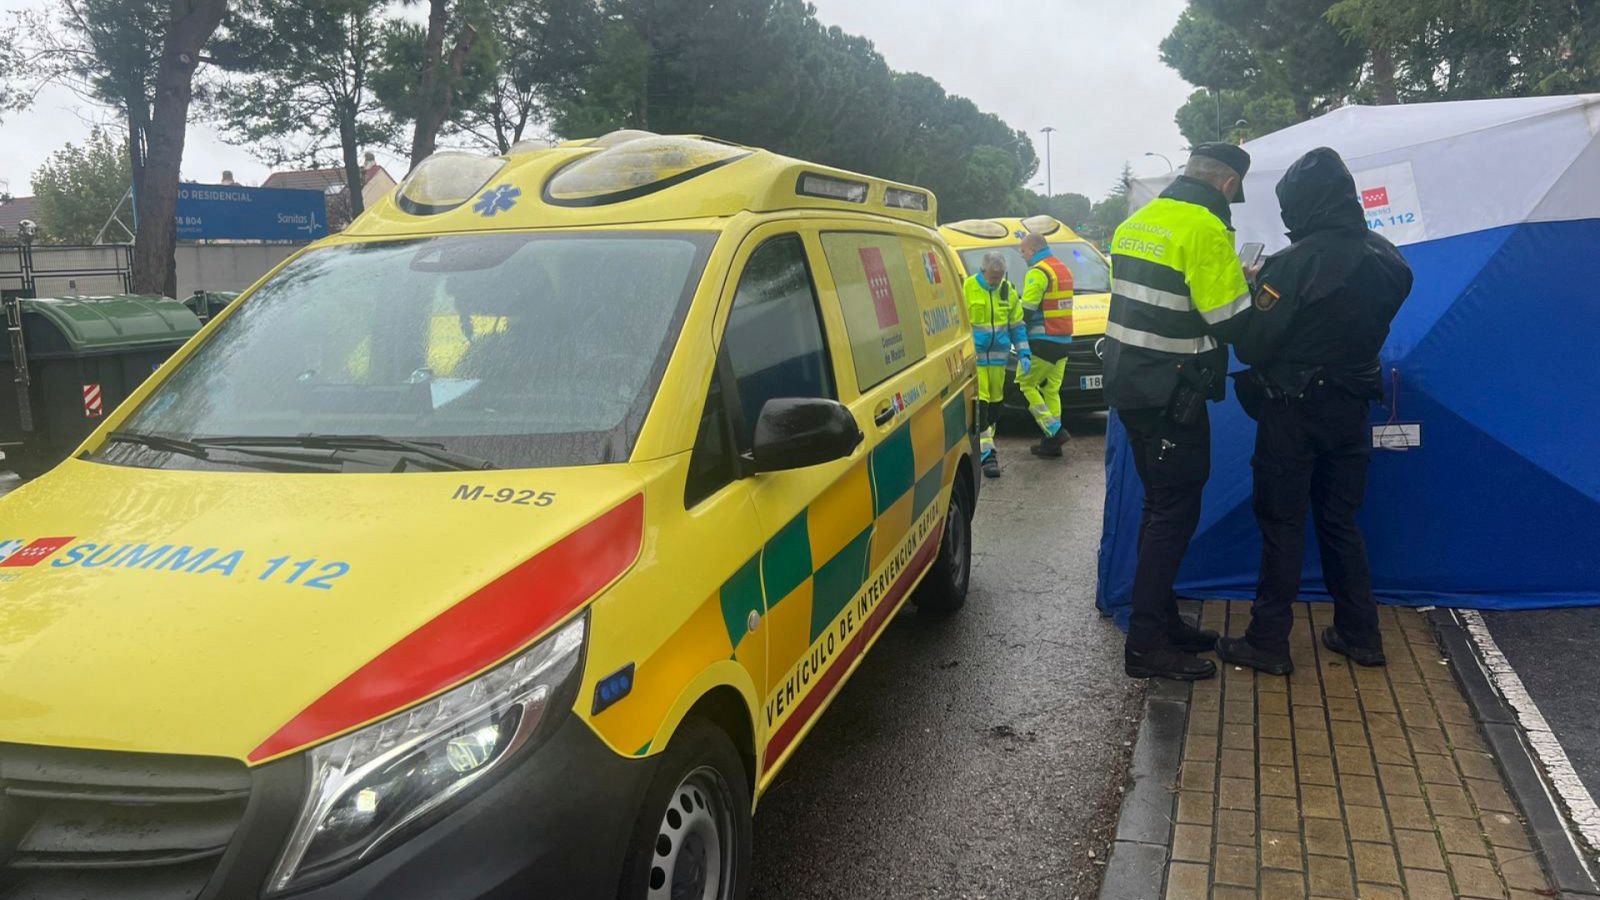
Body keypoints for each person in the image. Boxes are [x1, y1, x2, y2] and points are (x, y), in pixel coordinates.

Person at [1216, 147, 1413, 676]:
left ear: (1300, 205)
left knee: (1282, 524)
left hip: (1292, 411)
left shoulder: (1292, 264)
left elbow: (1254, 346)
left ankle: (1268, 641)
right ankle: (1360, 633)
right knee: (1340, 521)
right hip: (1350, 408)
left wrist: (1254, 287)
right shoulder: (1390, 260)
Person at [1105, 143, 1256, 681]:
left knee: (1158, 507)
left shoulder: (1139, 222)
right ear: (1228, 186)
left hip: (1130, 388)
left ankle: (1163, 623)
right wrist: (1248, 282)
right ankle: (1146, 644)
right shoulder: (1204, 230)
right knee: (1174, 513)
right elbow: (1232, 323)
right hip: (1173, 396)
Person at [964, 251, 1030, 478]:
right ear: (983, 271)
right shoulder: (968, 288)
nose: (996, 280)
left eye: (1000, 276)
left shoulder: (1007, 290)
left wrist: (1024, 353)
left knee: (994, 409)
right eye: (993, 276)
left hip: (999, 361)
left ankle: (982, 447)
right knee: (981, 407)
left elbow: (1017, 325)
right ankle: (988, 455)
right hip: (977, 362)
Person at [1017, 232, 1074, 457]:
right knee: (1051, 390)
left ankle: (1054, 431)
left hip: (1043, 340)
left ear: (1032, 250)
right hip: (1064, 340)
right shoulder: (1062, 269)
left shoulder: (1038, 272)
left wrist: (1015, 333)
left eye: (1023, 252)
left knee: (1025, 384)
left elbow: (1027, 311)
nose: (1023, 256)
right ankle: (1052, 445)